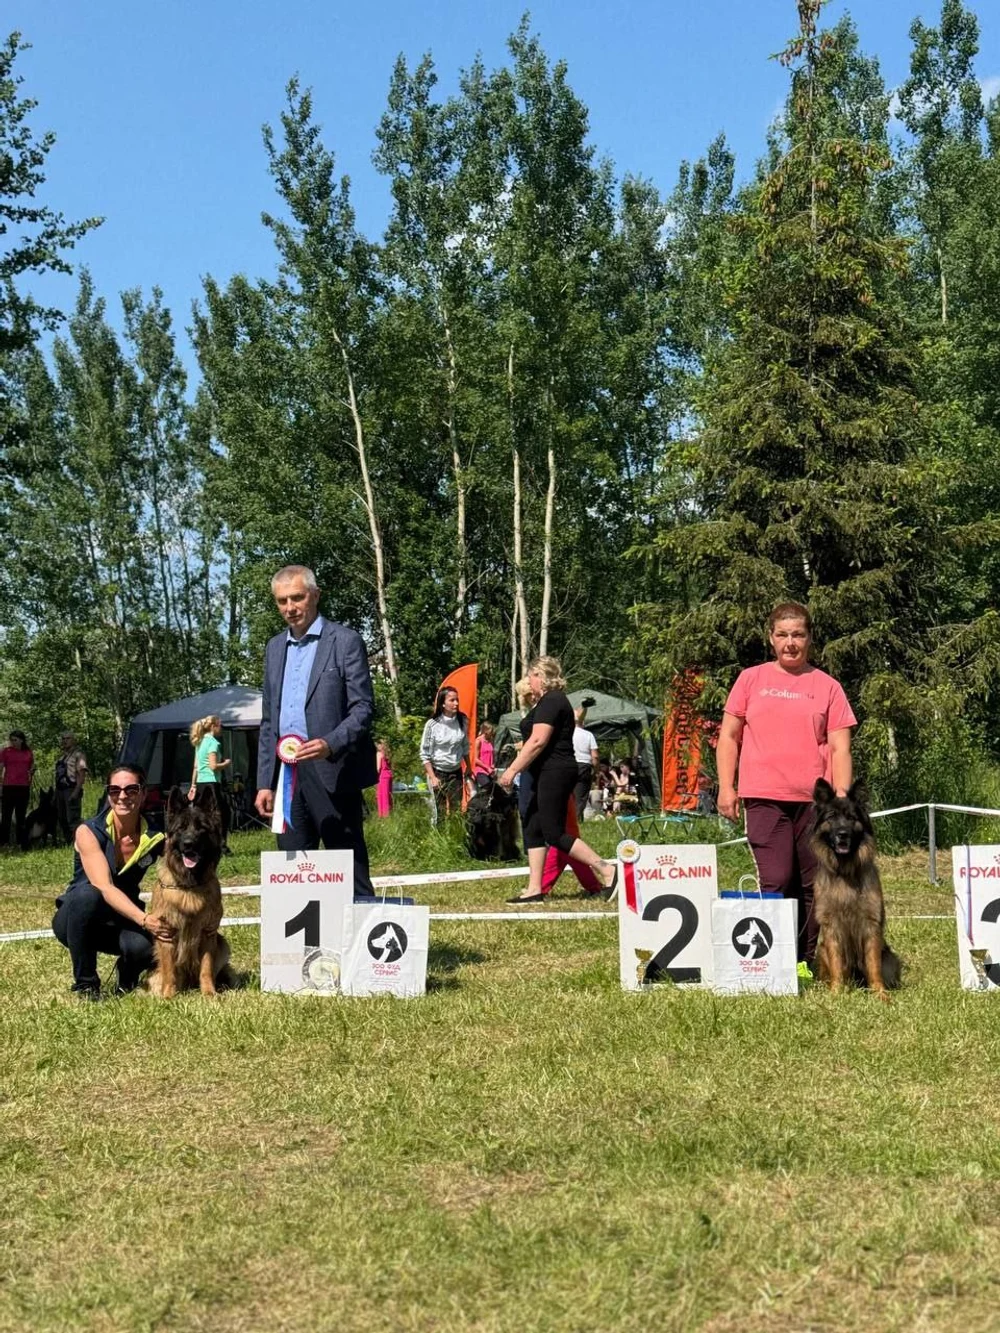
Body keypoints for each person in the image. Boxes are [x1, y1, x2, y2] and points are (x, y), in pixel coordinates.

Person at [715, 600, 856, 968]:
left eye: (798, 635)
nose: (790, 642)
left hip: (816, 804)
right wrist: (726, 788)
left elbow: (840, 747)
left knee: (814, 884)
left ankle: (806, 963)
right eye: (782, 635)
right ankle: (772, 964)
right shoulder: (750, 680)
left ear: (809, 639)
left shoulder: (828, 687)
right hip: (763, 796)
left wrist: (840, 799)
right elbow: (729, 737)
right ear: (770, 638)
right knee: (777, 879)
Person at [255, 565, 377, 898]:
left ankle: (361, 945)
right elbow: (269, 721)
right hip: (287, 775)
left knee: (348, 863)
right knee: (294, 866)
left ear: (316, 595)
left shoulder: (345, 641)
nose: (290, 607)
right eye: (282, 601)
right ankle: (303, 946)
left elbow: (363, 708)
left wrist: (330, 743)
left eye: (297, 597)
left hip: (334, 769)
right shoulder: (274, 648)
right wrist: (264, 782)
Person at [498, 657, 617, 903]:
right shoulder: (545, 703)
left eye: (531, 676)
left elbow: (538, 741)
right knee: (532, 826)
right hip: (543, 772)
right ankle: (534, 889)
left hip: (556, 771)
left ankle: (608, 870)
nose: (528, 681)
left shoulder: (553, 701)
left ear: (541, 677)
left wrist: (510, 771)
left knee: (555, 833)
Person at [51, 764, 171, 998]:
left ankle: (127, 979)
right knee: (89, 894)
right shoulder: (88, 831)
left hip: (121, 917)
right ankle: (86, 984)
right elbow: (104, 887)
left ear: (144, 793)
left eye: (131, 789)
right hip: (77, 919)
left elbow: (185, 867)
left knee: (146, 949)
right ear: (108, 794)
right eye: (115, 790)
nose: (122, 796)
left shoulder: (155, 836)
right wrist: (145, 920)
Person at [420, 687, 470, 817]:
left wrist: (469, 768)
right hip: (438, 772)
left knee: (456, 810)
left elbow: (465, 746)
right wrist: (432, 777)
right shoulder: (432, 725)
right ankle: (438, 836)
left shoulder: (463, 721)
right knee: (439, 811)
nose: (456, 703)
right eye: (452, 700)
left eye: (457, 700)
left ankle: (455, 835)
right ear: (443, 703)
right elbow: (425, 754)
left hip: (456, 772)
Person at [187, 715, 232, 853]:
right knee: (222, 814)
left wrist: (193, 785)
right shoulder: (213, 743)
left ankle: (202, 844)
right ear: (213, 727)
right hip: (212, 783)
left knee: (202, 815)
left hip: (200, 783)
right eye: (220, 725)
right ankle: (221, 845)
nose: (221, 729)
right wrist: (225, 763)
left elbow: (195, 766)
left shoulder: (199, 742)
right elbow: (213, 766)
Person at [0, 730, 34, 848]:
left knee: (21, 816)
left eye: (15, 740)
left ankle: (21, 842)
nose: (13, 742)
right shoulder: (6, 752)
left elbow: (31, 767)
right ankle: (4, 842)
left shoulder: (28, 752)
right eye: (11, 740)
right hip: (8, 786)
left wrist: (31, 773)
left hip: (23, 787)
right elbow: (1, 767)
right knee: (6, 816)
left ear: (21, 740)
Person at [54, 731, 88, 845]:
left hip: (71, 789)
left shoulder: (79, 755)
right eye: (63, 738)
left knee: (72, 818)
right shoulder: (62, 756)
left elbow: (81, 775)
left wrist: (76, 791)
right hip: (60, 790)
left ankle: (78, 842)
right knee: (61, 817)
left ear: (73, 740)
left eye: (67, 738)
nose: (64, 741)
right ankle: (68, 841)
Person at [572, 707, 599, 818]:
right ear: (582, 721)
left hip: (568, 765)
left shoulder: (564, 733)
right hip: (584, 766)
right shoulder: (588, 735)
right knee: (580, 796)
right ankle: (578, 820)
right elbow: (595, 756)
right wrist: (596, 771)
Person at [473, 722, 496, 789]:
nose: (492, 733)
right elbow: (475, 759)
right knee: (487, 788)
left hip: (490, 771)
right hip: (480, 771)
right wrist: (487, 767)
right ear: (485, 731)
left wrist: (493, 764)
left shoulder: (491, 740)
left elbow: (492, 755)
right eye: (491, 731)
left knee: (493, 791)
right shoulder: (478, 741)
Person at [375, 739, 393, 817]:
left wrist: (375, 778)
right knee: (388, 795)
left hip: (382, 776)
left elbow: (378, 768)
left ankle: (383, 815)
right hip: (388, 775)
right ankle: (390, 812)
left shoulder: (379, 754)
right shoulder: (387, 754)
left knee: (382, 795)